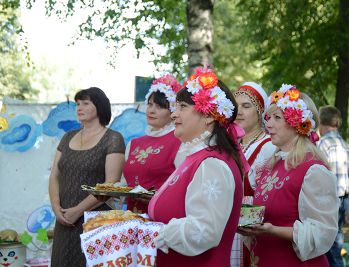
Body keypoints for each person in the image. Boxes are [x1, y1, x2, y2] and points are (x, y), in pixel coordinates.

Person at [148, 67, 247, 267]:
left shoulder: (212, 164)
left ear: (209, 116)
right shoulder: (197, 157)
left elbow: (204, 231)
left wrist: (151, 232)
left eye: (182, 106)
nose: (174, 114)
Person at [238, 84, 338, 266]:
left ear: (298, 124)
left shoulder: (313, 171)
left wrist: (273, 230)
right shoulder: (273, 164)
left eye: (277, 118)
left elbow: (322, 233)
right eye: (268, 117)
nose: (268, 124)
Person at [49, 87, 125, 266]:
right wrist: (55, 207)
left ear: (99, 106)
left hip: (96, 221)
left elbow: (111, 183)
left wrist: (78, 210)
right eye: (77, 104)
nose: (79, 108)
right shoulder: (67, 137)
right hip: (64, 219)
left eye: (85, 103)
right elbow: (54, 176)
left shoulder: (113, 138)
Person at [122, 74, 184, 213]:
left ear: (173, 112)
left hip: (163, 220)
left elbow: (183, 188)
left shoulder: (180, 142)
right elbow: (123, 185)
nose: (151, 110)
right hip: (132, 219)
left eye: (160, 106)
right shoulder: (134, 144)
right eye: (150, 104)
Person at [231, 82, 276, 267]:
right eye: (236, 106)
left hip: (252, 225)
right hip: (230, 222)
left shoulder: (269, 146)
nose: (239, 111)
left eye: (246, 106)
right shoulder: (232, 145)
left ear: (259, 112)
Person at [318, 105, 349, 267]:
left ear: (321, 123)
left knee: (327, 246)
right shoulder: (346, 146)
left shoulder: (322, 145)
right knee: (337, 241)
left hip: (325, 201)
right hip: (341, 200)